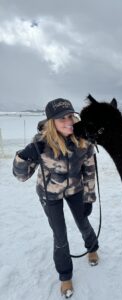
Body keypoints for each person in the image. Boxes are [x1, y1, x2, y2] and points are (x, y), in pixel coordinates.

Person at [13, 98, 99, 298]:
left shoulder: (83, 141)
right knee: (59, 235)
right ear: (52, 122)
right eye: (62, 118)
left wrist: (89, 198)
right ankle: (65, 276)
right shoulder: (41, 143)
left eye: (70, 116)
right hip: (49, 193)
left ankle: (92, 247)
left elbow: (90, 171)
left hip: (76, 190)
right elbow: (21, 176)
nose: (68, 121)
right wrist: (24, 156)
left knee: (83, 222)